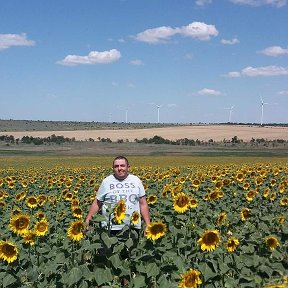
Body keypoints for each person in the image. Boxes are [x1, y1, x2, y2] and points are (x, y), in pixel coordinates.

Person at [85, 155, 150, 238]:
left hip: (132, 227)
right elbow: (97, 203)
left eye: (122, 165)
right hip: (110, 228)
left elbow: (143, 203)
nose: (119, 168)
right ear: (113, 168)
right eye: (116, 166)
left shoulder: (136, 180)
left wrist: (148, 224)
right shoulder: (106, 181)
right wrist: (87, 221)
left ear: (128, 167)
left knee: (131, 250)